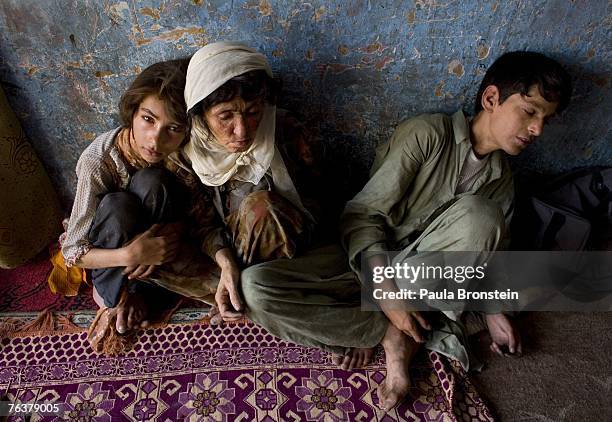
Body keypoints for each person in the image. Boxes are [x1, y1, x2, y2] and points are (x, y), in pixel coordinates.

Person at [341, 51, 572, 408]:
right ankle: (393, 323)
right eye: (530, 111)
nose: (537, 129)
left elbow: (488, 258)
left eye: (546, 120)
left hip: (424, 279)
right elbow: (363, 217)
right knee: (263, 292)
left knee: (507, 250)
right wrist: (387, 294)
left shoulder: (502, 182)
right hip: (374, 267)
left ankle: (397, 338)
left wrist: (495, 312)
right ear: (491, 99)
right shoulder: (427, 134)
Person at [182, 42, 413, 385]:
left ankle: (379, 332)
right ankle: (344, 323)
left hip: (311, 253)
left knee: (260, 227)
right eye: (225, 117)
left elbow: (332, 199)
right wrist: (226, 262)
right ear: (201, 115)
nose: (242, 131)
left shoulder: (286, 131)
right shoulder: (188, 155)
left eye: (253, 111)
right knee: (236, 282)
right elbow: (201, 223)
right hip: (241, 263)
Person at [61, 59, 220, 351]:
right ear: (132, 112)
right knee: (118, 205)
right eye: (148, 119)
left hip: (159, 251)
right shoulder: (98, 162)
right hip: (114, 254)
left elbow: (201, 215)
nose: (156, 139)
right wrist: (131, 253)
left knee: (153, 181)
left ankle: (148, 289)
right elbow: (73, 252)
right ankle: (118, 297)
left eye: (173, 128)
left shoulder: (181, 154)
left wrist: (172, 232)